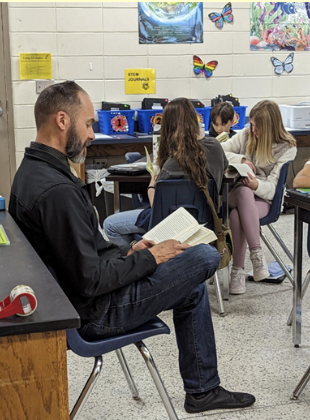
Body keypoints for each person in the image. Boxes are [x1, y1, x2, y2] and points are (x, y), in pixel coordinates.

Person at [9, 82, 255, 414]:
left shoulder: (33, 171)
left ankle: (203, 390)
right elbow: (91, 280)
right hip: (94, 314)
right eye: (89, 124)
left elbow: (86, 253)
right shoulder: (55, 190)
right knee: (206, 254)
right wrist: (151, 257)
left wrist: (130, 252)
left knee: (194, 287)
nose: (93, 134)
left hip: (82, 298)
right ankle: (203, 390)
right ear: (63, 121)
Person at [104, 97, 228, 247]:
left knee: (110, 225)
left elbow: (158, 210)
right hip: (205, 223)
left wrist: (152, 183)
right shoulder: (215, 147)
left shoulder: (171, 165)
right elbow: (224, 168)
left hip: (169, 228)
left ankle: (140, 257)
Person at [221, 100, 297, 295]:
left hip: (264, 199)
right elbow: (220, 150)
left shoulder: (287, 147)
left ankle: (237, 271)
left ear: (269, 127)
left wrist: (256, 185)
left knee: (238, 215)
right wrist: (242, 160)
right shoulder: (247, 134)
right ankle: (257, 254)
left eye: (257, 126)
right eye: (252, 124)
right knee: (243, 192)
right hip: (235, 192)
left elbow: (274, 190)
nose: (252, 129)